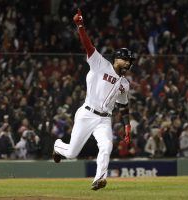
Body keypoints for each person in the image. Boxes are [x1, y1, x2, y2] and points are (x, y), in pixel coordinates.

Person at [53, 9, 135, 191]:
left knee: (106, 145)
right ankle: (58, 146)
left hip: (105, 119)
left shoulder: (125, 83)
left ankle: (99, 179)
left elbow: (123, 106)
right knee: (73, 153)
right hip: (87, 113)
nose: (129, 63)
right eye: (127, 59)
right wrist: (80, 25)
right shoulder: (101, 63)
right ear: (118, 59)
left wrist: (127, 127)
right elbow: (88, 45)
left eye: (131, 60)